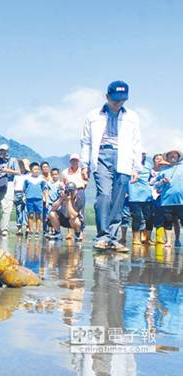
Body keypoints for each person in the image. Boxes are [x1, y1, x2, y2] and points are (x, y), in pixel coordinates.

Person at [80, 80, 142, 252]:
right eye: (115, 99)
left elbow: (137, 143)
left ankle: (113, 238)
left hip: (124, 157)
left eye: (122, 100)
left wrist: (136, 167)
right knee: (104, 196)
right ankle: (102, 236)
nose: (118, 103)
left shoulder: (132, 117)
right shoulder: (93, 115)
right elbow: (86, 142)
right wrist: (84, 165)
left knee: (118, 199)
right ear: (107, 96)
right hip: (101, 155)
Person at [155, 149, 183, 248]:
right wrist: (162, 181)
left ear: (178, 156)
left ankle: (177, 240)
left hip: (181, 201)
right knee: (168, 222)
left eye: (174, 154)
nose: (172, 156)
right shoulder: (163, 170)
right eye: (170, 154)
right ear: (167, 157)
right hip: (167, 201)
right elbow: (156, 186)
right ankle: (169, 242)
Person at [0, 144, 20, 237]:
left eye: (4, 151)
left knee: (6, 207)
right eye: (1, 151)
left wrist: (7, 170)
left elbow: (18, 172)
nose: (2, 152)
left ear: (7, 151)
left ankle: (4, 229)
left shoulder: (13, 160)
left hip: (9, 183)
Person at [128, 152, 153, 246]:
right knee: (137, 217)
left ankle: (146, 238)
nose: (140, 156)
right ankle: (136, 238)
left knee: (149, 217)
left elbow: (151, 178)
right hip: (134, 195)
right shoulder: (130, 165)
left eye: (142, 155)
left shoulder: (148, 165)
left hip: (147, 195)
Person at [61, 153, 88, 239]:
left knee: (80, 212)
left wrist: (82, 187)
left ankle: (80, 232)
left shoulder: (82, 171)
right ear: (70, 161)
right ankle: (69, 233)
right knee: (69, 211)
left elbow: (86, 181)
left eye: (76, 160)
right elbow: (63, 182)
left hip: (79, 191)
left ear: (79, 161)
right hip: (68, 192)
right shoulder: (65, 172)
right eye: (72, 160)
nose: (74, 162)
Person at [23, 162, 47, 237]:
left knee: (38, 215)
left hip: (39, 199)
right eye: (35, 169)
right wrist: (24, 197)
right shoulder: (27, 179)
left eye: (38, 169)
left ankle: (37, 231)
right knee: (30, 215)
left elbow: (44, 189)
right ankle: (30, 230)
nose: (36, 170)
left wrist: (45, 199)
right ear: (31, 170)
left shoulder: (41, 179)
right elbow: (24, 189)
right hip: (29, 199)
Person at [13, 159, 30, 236]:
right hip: (17, 193)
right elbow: (14, 185)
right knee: (18, 211)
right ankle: (19, 228)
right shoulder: (16, 175)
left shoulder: (28, 175)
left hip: (26, 193)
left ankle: (27, 228)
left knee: (26, 211)